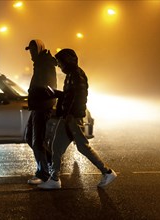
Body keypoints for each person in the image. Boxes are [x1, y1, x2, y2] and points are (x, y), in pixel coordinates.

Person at [38, 48, 117, 189]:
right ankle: (54, 179)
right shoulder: (71, 75)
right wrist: (57, 95)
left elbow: (78, 97)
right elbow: (69, 96)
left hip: (73, 118)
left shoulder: (77, 75)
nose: (60, 66)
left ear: (68, 61)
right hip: (68, 117)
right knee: (56, 146)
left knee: (83, 147)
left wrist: (69, 115)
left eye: (61, 63)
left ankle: (107, 172)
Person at [24, 39, 57, 185]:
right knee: (29, 136)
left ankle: (43, 173)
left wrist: (36, 93)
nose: (31, 53)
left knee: (37, 141)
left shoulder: (45, 64)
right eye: (30, 50)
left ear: (39, 49)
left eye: (33, 50)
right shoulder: (39, 63)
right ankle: (51, 163)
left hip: (42, 106)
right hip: (38, 105)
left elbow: (49, 86)